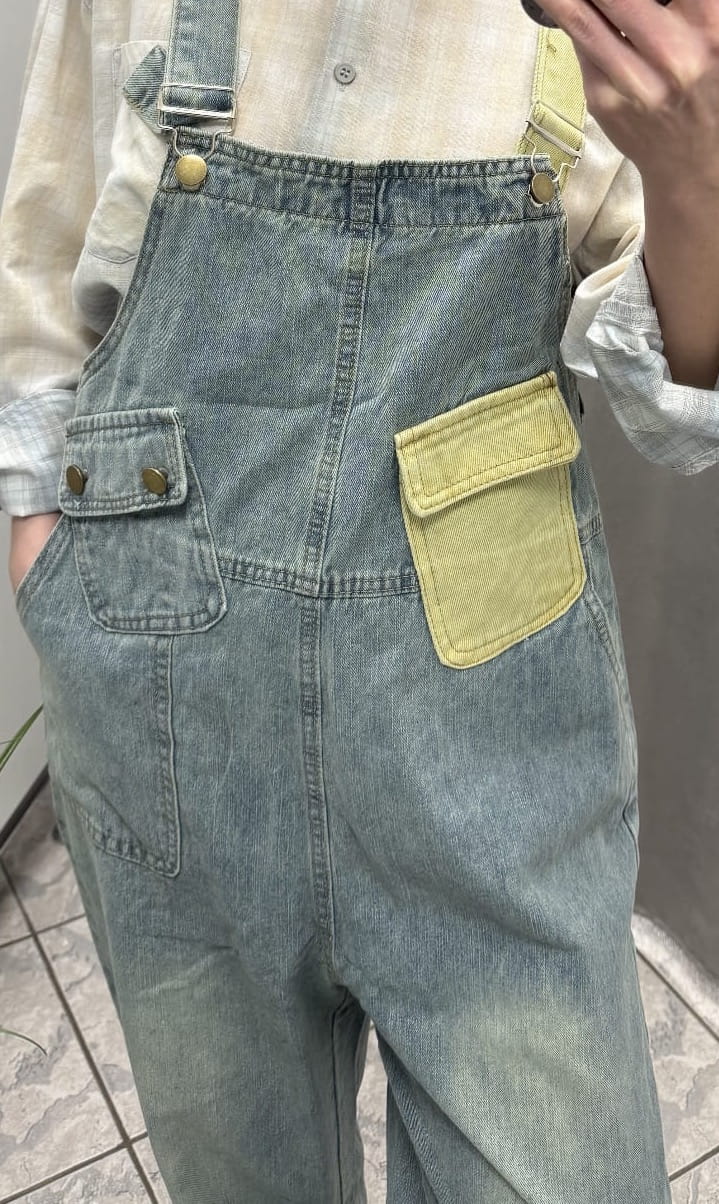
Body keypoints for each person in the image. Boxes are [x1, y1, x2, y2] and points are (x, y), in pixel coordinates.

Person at [2, 1, 717, 1200]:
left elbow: (678, 414)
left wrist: (695, 161)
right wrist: (43, 550)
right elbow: (43, 254)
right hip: (164, 711)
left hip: (492, 750)